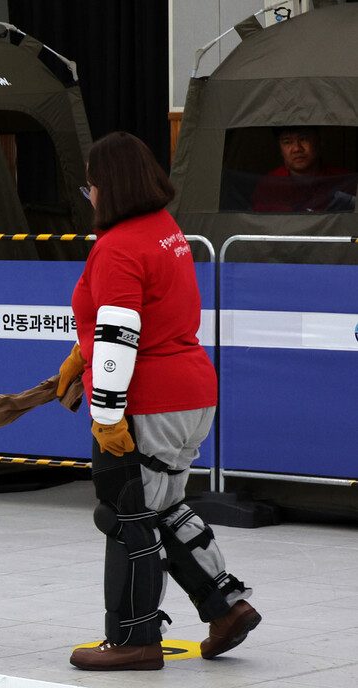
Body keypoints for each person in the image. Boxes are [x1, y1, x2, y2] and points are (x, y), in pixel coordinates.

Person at [65, 131, 260, 671]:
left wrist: (105, 416)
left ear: (110, 186)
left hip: (148, 397)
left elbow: (120, 334)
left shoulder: (119, 245)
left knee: (125, 513)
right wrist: (81, 356)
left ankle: (133, 639)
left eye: (91, 186)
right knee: (164, 506)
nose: (91, 196)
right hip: (192, 391)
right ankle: (226, 606)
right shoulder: (164, 230)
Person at [250, 126, 354, 212]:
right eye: (287, 142)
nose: (296, 148)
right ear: (280, 149)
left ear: (319, 141)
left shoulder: (344, 179)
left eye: (303, 139)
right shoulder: (269, 184)